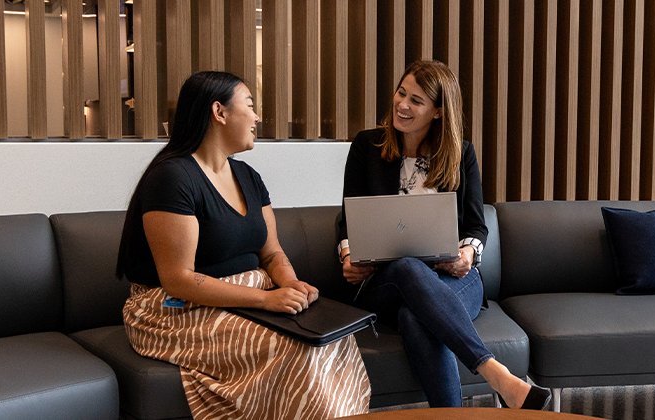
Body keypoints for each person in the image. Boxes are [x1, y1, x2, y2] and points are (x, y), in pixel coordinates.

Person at [118, 71, 370, 419]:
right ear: (219, 112)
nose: (256, 117)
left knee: (333, 338)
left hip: (244, 299)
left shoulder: (249, 177)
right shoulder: (173, 177)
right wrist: (267, 299)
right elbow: (178, 279)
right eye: (250, 106)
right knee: (295, 349)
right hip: (173, 310)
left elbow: (272, 252)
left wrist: (291, 284)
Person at [336, 60, 551, 410]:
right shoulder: (367, 146)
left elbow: (476, 226)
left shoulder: (461, 153)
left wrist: (467, 255)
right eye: (401, 93)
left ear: (437, 111)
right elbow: (348, 217)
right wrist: (348, 255)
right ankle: (499, 376)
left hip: (452, 280)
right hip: (386, 281)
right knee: (407, 267)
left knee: (414, 317)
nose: (402, 105)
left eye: (416, 101)